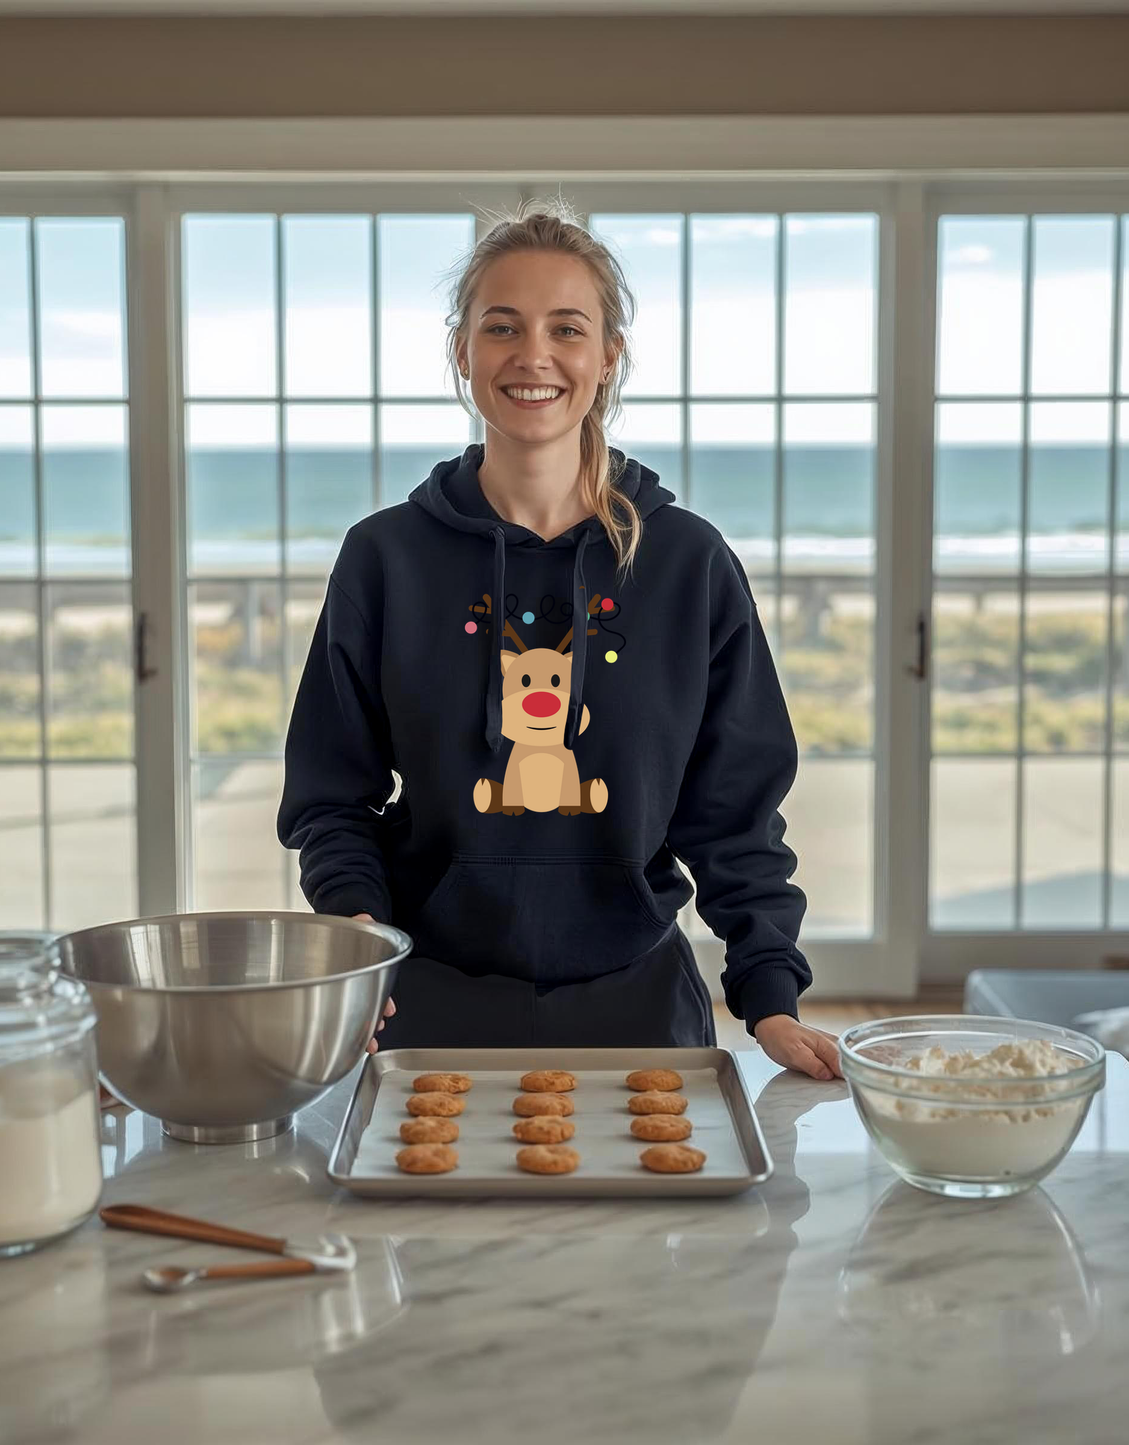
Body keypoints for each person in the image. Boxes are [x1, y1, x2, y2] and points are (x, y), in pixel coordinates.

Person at [277, 200, 841, 1081]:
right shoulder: (383, 557)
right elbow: (330, 795)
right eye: (501, 326)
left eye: (565, 329)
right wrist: (357, 925)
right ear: (461, 351)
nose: (531, 355)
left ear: (607, 354)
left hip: (640, 1007)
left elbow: (733, 810)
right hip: (424, 1009)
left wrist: (769, 996)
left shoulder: (687, 562)